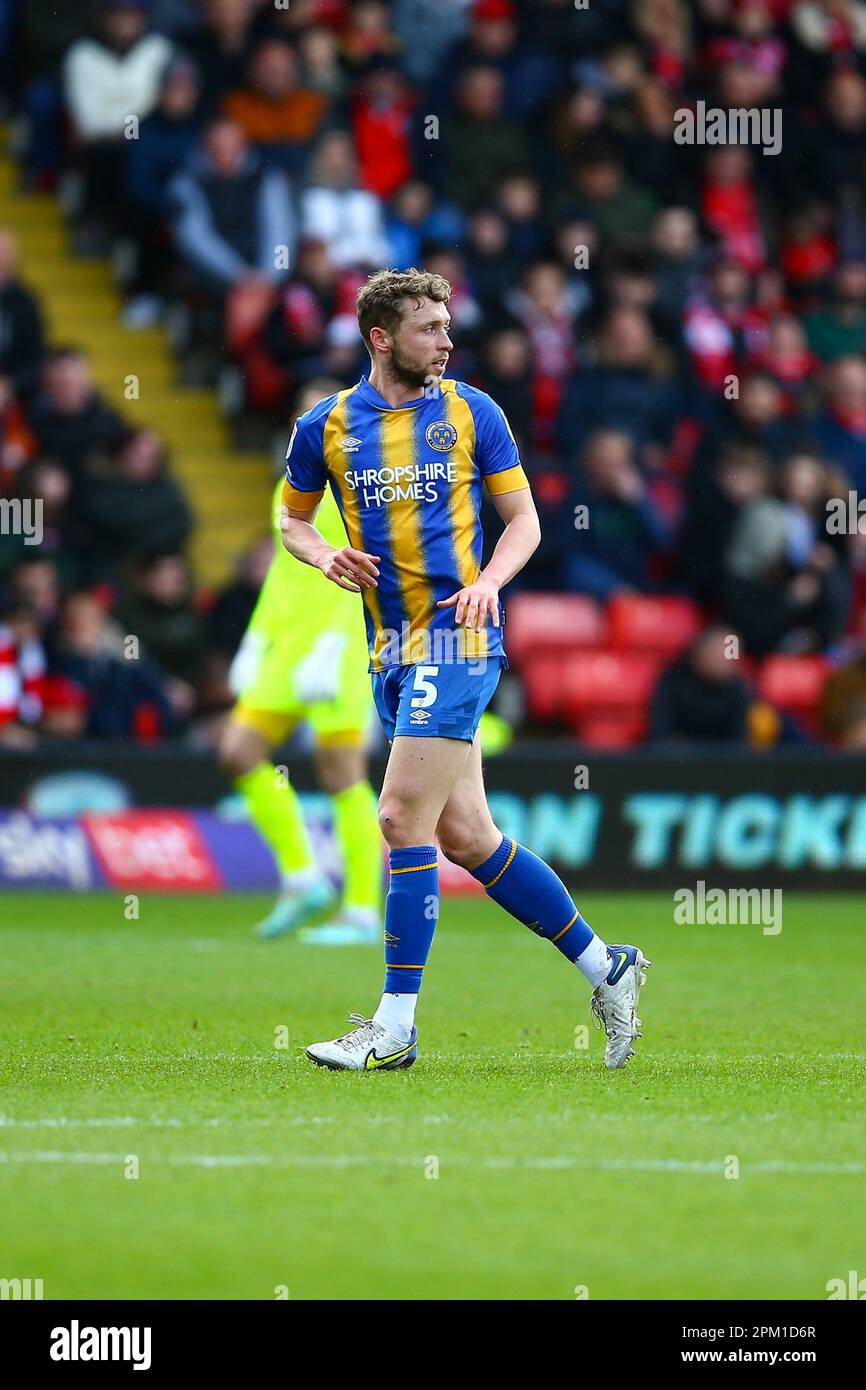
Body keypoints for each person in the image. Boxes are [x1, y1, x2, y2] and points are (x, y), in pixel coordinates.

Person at [280, 267, 651, 1071]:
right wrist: (321, 553)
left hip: (458, 640)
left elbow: (524, 522)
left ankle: (394, 1026)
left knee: (398, 820)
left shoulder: (473, 412)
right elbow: (290, 517)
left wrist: (487, 581)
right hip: (391, 649)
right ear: (381, 338)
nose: (447, 341)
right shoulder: (327, 425)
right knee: (468, 838)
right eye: (429, 329)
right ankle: (606, 966)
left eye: (449, 327)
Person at [218, 379, 383, 946]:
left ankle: (362, 910)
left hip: (333, 650)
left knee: (342, 772)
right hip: (285, 647)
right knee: (237, 753)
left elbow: (369, 571)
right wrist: (256, 639)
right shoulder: (293, 484)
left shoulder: (365, 487)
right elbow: (285, 574)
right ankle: (302, 876)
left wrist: (338, 643)